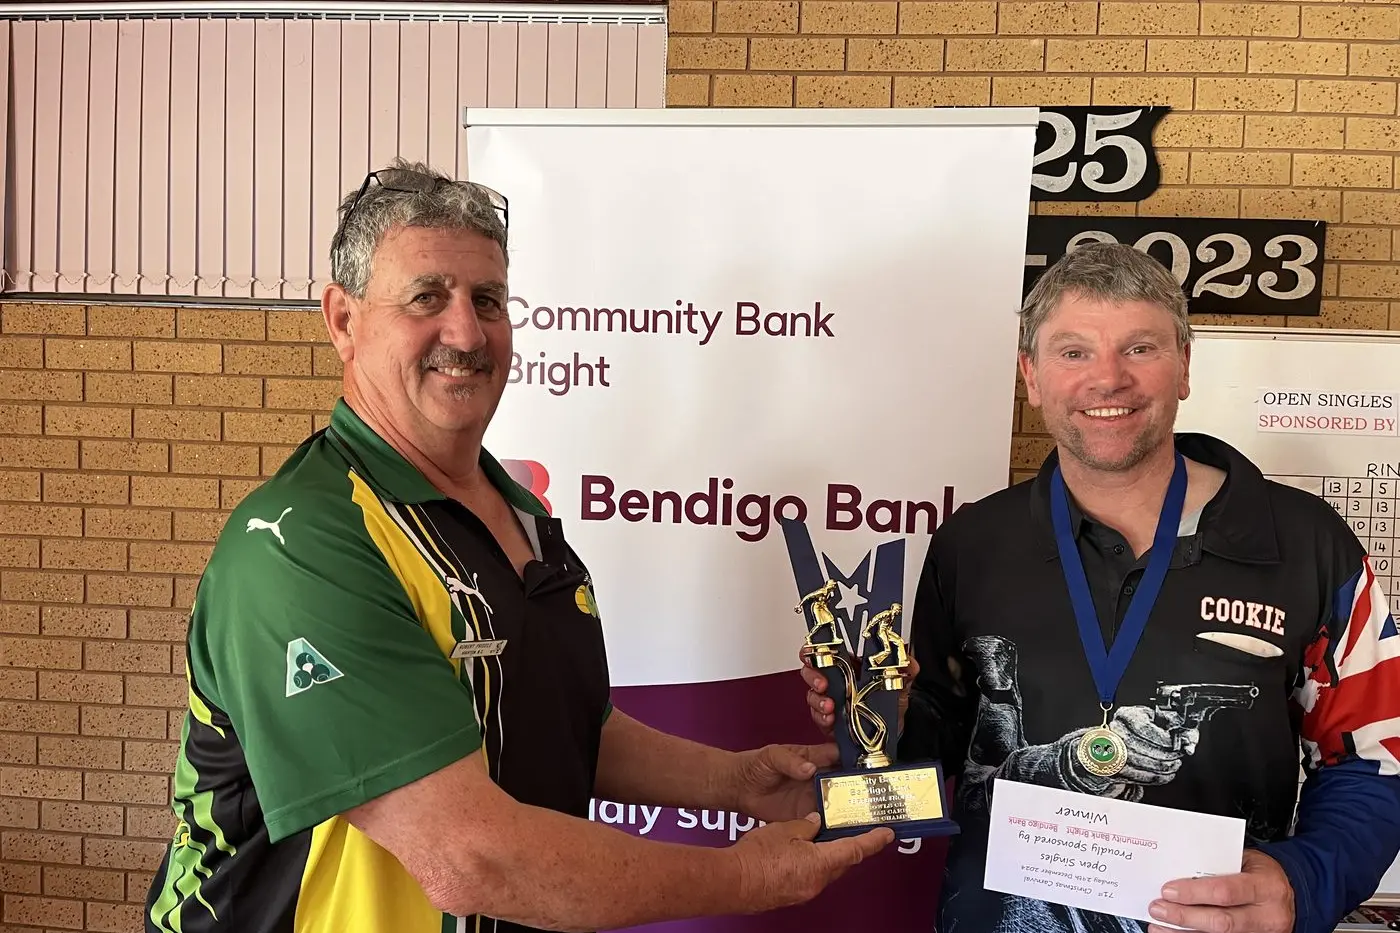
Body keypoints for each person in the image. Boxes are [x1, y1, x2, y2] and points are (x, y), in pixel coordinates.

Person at [144, 158, 892, 933]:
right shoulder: (303, 544)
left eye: (488, 300)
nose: (465, 332)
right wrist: (744, 876)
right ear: (343, 319)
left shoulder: (522, 515)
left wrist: (735, 782)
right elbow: (470, 855)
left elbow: (555, 724)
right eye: (426, 297)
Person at [802, 242, 1400, 933]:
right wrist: (882, 714)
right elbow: (940, 757)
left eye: (1139, 348)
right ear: (1031, 374)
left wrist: (1306, 878)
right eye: (1073, 352)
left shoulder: (1306, 544)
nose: (1107, 379)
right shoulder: (972, 545)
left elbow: (1378, 757)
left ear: (1183, 366)